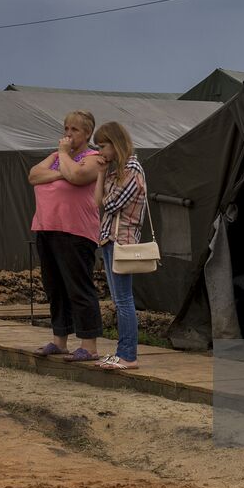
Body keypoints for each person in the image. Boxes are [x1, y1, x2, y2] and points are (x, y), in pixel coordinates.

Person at [28, 111, 107, 360]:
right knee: (55, 287)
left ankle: (89, 345)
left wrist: (63, 157)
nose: (68, 134)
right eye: (66, 128)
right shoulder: (55, 157)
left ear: (87, 134)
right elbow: (33, 176)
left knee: (78, 287)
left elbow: (78, 176)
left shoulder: (94, 158)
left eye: (74, 130)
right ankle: (59, 340)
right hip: (46, 227)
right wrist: (61, 168)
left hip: (75, 231)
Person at [93, 121, 146, 370]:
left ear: (115, 143)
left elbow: (110, 204)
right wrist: (102, 173)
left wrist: (105, 189)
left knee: (124, 300)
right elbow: (98, 202)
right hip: (108, 239)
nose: (100, 152)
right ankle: (122, 353)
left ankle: (128, 355)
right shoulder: (117, 171)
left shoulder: (133, 169)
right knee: (118, 299)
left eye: (103, 146)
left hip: (121, 241)